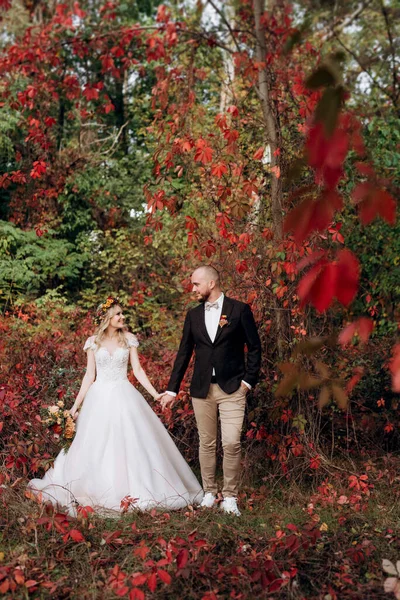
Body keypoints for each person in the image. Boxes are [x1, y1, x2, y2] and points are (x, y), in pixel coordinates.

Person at [28, 297, 203, 516]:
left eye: (122, 313)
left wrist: (155, 394)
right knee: (95, 444)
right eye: (118, 314)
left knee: (130, 441)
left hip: (124, 394)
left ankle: (136, 489)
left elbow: (138, 370)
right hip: (98, 398)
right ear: (107, 318)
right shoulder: (93, 342)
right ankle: (92, 488)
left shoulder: (129, 339)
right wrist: (75, 406)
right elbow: (89, 375)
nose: (122, 317)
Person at [160, 266, 261, 517]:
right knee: (207, 443)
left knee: (231, 443)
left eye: (196, 284)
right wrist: (172, 390)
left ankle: (230, 496)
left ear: (212, 283)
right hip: (201, 389)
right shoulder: (193, 315)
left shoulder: (239, 310)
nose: (192, 289)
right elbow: (183, 354)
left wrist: (247, 382)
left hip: (232, 388)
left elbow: (255, 348)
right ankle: (209, 492)